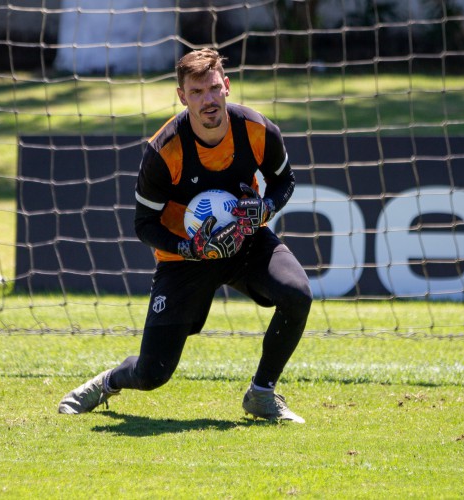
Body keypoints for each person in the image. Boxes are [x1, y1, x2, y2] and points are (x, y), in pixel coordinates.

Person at [58, 48, 313, 423]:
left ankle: (261, 393)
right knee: (152, 374)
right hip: (185, 259)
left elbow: (283, 181)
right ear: (182, 97)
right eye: (196, 92)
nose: (208, 100)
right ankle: (108, 381)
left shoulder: (257, 129)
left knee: (298, 295)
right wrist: (188, 247)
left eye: (213, 88)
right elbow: (144, 224)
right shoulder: (164, 150)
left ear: (226, 86)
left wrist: (266, 209)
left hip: (245, 241)